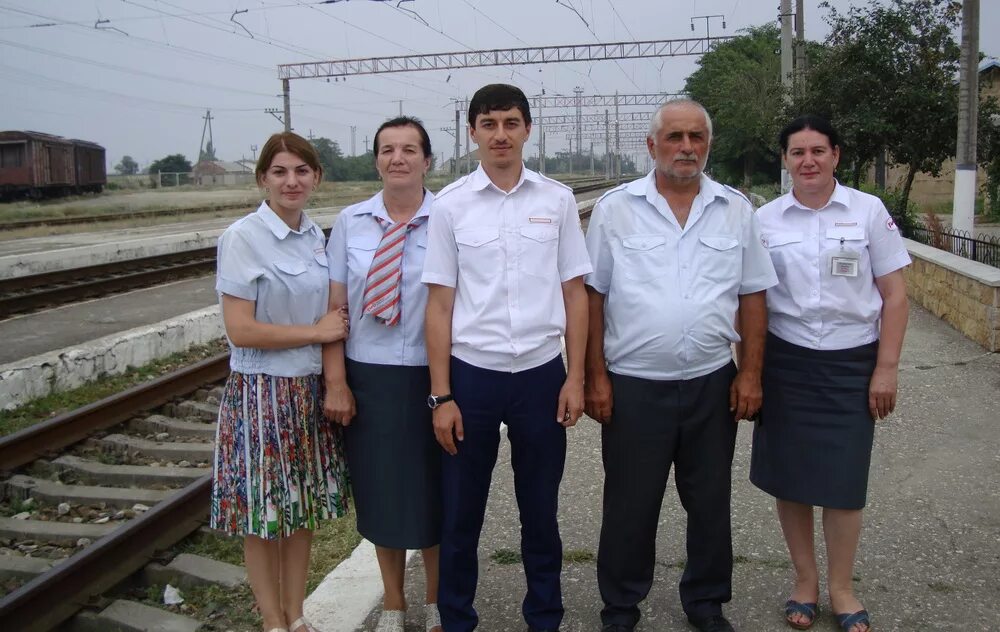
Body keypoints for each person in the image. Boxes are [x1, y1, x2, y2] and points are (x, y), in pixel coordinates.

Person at [583, 99, 778, 632]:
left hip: (711, 383)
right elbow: (593, 297)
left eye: (696, 137)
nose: (686, 147)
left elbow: (752, 296)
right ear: (652, 146)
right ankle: (621, 607)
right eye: (674, 137)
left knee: (711, 502)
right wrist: (593, 376)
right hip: (633, 387)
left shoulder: (735, 209)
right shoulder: (615, 209)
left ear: (708, 145)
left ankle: (707, 603)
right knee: (629, 507)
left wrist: (751, 372)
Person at [421, 83, 592, 632]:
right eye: (489, 124)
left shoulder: (556, 200)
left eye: (511, 123)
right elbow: (440, 305)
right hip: (472, 377)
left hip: (542, 375)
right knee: (462, 513)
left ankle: (544, 616)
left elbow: (574, 293)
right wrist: (441, 395)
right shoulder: (448, 206)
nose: (500, 134)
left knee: (540, 511)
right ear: (471, 132)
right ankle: (457, 618)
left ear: (527, 130)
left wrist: (577, 378)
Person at [750, 115, 910, 632]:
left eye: (818, 151)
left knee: (844, 482)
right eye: (798, 153)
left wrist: (886, 368)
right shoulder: (766, 220)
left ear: (836, 155)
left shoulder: (868, 212)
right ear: (785, 160)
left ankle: (842, 586)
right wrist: (747, 370)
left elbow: (896, 295)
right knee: (790, 479)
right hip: (788, 361)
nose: (809, 161)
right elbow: (749, 299)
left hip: (851, 363)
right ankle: (805, 581)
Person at [211, 131, 351, 632]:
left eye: (301, 171)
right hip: (262, 392)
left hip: (306, 390)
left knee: (300, 511)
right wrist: (313, 332)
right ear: (263, 179)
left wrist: (331, 371)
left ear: (316, 177)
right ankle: (272, 620)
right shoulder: (244, 237)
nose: (291, 181)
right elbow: (240, 328)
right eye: (280, 172)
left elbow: (334, 314)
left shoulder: (317, 236)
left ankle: (296, 615)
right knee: (262, 514)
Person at [322, 116, 442, 632]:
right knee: (382, 494)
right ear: (376, 160)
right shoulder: (351, 222)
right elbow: (335, 308)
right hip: (368, 377)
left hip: (433, 376)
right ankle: (394, 603)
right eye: (388, 149)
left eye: (409, 149)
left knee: (437, 491)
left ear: (427, 161)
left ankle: (439, 600)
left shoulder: (449, 218)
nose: (398, 158)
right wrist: (336, 382)